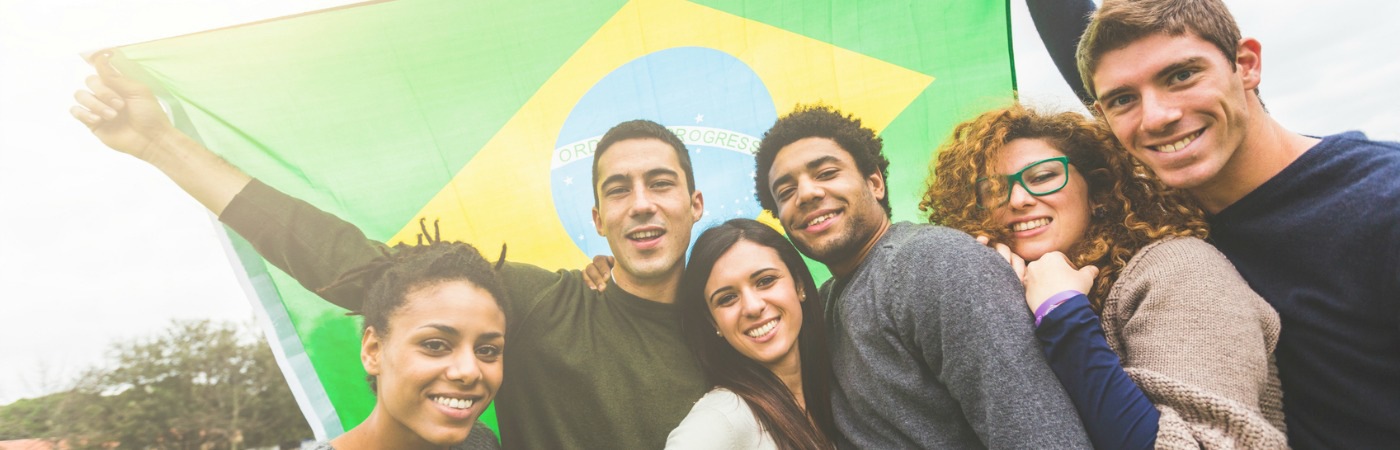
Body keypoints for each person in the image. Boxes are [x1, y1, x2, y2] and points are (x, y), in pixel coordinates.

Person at [71, 52, 711, 449]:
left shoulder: (742, 327)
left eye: (661, 184)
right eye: (618, 190)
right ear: (597, 217)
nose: (643, 203)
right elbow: (342, 259)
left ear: (697, 204)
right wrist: (158, 143)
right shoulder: (532, 300)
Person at [1029, 0, 1400, 446]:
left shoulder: (1382, 205)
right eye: (1123, 99)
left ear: (1246, 65)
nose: (1158, 117)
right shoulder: (1157, 205)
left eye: (1182, 76)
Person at [922, 103, 1286, 448]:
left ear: (1096, 191)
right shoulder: (1008, 288)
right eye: (994, 190)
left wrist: (1063, 312)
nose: (1017, 199)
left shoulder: (1180, 269)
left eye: (1044, 176)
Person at [750, 104, 1091, 449]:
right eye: (786, 191)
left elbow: (1039, 435)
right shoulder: (821, 305)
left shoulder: (936, 263)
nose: (806, 194)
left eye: (825, 173)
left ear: (874, 182)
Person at [311, 223, 506, 450]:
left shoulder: (479, 443)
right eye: (435, 345)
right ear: (373, 350)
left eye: (487, 350)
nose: (469, 371)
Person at [660, 219, 837, 449]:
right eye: (727, 298)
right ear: (712, 321)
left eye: (765, 281)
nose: (753, 307)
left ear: (799, 284)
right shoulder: (723, 418)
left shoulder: (833, 385)